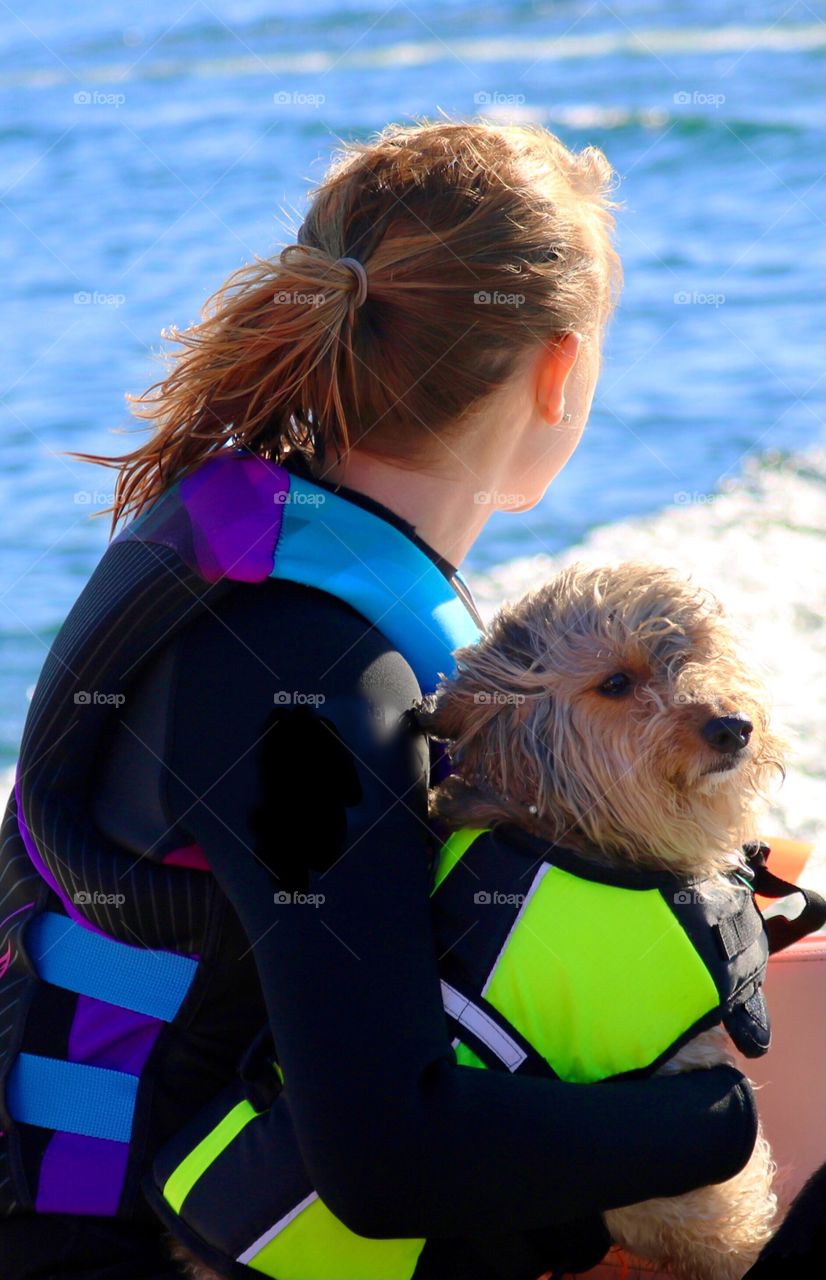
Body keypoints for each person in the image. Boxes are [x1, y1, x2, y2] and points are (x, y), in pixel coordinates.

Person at [0, 120, 759, 1280]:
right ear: (559, 371)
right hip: (129, 1247)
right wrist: (718, 1124)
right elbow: (383, 1157)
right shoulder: (307, 678)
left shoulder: (277, 552)